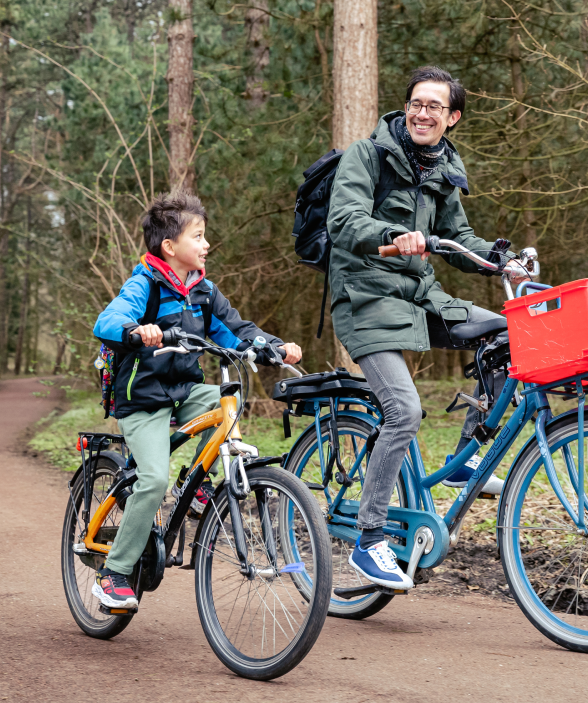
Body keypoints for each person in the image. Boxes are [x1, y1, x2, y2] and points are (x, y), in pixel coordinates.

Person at [327, 66, 527, 590]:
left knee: (509, 335)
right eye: (417, 103)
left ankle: (464, 459)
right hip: (365, 300)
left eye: (434, 107)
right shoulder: (366, 156)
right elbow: (344, 222)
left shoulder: (443, 168)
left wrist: (500, 260)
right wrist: (394, 232)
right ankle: (369, 541)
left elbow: (458, 238)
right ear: (407, 107)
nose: (422, 112)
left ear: (451, 118)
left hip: (419, 298)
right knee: (405, 410)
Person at [92, 190, 302, 610]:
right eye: (199, 236)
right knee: (152, 480)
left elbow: (236, 329)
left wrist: (273, 347)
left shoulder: (203, 291)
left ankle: (202, 484)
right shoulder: (145, 285)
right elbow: (108, 320)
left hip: (184, 390)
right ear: (170, 247)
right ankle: (114, 574)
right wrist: (139, 330)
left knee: (224, 398)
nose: (207, 245)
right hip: (142, 398)